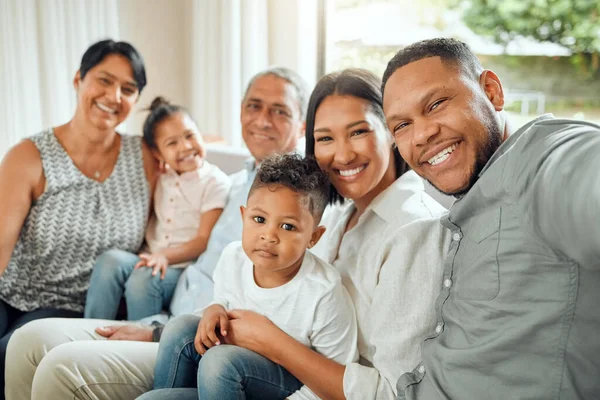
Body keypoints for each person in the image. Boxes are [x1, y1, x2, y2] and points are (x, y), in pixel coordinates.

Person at [5, 67, 309, 400]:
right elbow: (191, 158)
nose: (263, 119)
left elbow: (266, 307)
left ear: (301, 125)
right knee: (27, 340)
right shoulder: (235, 182)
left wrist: (156, 332)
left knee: (59, 367)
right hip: (166, 314)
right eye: (254, 106)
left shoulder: (296, 207)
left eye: (280, 111)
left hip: (192, 339)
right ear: (240, 112)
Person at [165, 68, 450, 400]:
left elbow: (394, 391)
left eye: (358, 132)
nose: (342, 155)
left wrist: (272, 342)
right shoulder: (339, 214)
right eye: (326, 138)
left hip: (315, 389)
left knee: (219, 364)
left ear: (390, 130)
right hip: (265, 372)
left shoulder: (415, 230)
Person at [380, 38, 600, 400]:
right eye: (401, 126)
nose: (421, 135)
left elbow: (580, 174)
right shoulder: (468, 196)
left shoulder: (537, 162)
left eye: (436, 104)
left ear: (492, 92)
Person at [0, 39, 155, 399]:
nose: (114, 95)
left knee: (7, 355)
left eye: (128, 89)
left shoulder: (144, 157)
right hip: (11, 294)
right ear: (78, 80)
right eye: (103, 80)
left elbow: (190, 172)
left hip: (77, 307)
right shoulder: (29, 156)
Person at [141, 154, 358, 400]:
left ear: (313, 237)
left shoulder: (324, 291)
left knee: (219, 361)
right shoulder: (233, 257)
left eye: (287, 227)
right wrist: (215, 308)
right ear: (244, 216)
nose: (269, 235)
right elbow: (225, 299)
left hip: (288, 385)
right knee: (180, 329)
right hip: (229, 383)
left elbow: (337, 383)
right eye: (259, 219)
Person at [85, 97, 231, 321]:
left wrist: (164, 256)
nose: (185, 146)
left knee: (144, 278)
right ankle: (91, 330)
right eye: (172, 143)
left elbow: (203, 240)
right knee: (110, 260)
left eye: (190, 136)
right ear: (158, 154)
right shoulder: (162, 177)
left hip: (181, 268)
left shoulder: (215, 182)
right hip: (150, 258)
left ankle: (136, 341)